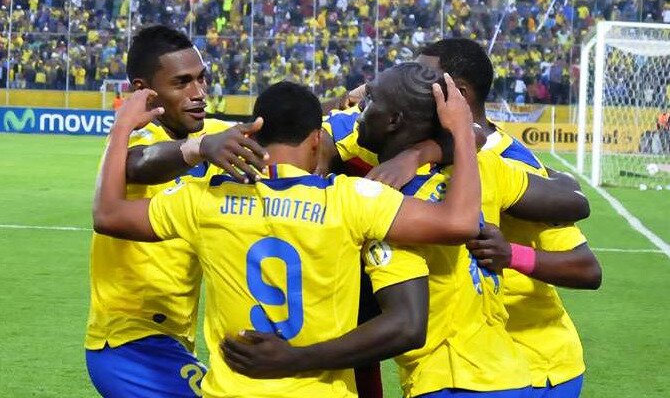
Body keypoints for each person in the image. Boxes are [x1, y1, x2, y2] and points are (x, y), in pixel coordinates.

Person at [92, 77, 482, 397]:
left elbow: (108, 214)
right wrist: (460, 131)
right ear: (316, 140)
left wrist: (122, 126)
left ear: (255, 134)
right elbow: (459, 223)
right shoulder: (352, 200)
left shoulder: (204, 198)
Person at [220, 62, 590, 398]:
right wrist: (453, 138)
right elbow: (574, 199)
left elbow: (405, 326)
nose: (359, 110)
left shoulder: (390, 206)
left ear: (394, 120)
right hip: (511, 376)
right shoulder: (480, 171)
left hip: (451, 381)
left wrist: (293, 359)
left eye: (370, 104)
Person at [85, 25, 267, 397]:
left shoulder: (211, 131)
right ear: (144, 91)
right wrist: (198, 149)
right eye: (182, 82)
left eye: (202, 79)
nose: (199, 93)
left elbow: (285, 127)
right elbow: (139, 164)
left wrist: (350, 99)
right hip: (127, 342)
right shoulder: (134, 139)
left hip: (173, 342)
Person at [416, 38, 601, 398]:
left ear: (461, 92)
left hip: (538, 363)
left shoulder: (515, 166)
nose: (414, 83)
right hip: (479, 365)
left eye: (425, 78)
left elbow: (586, 268)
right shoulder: (439, 150)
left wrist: (511, 255)